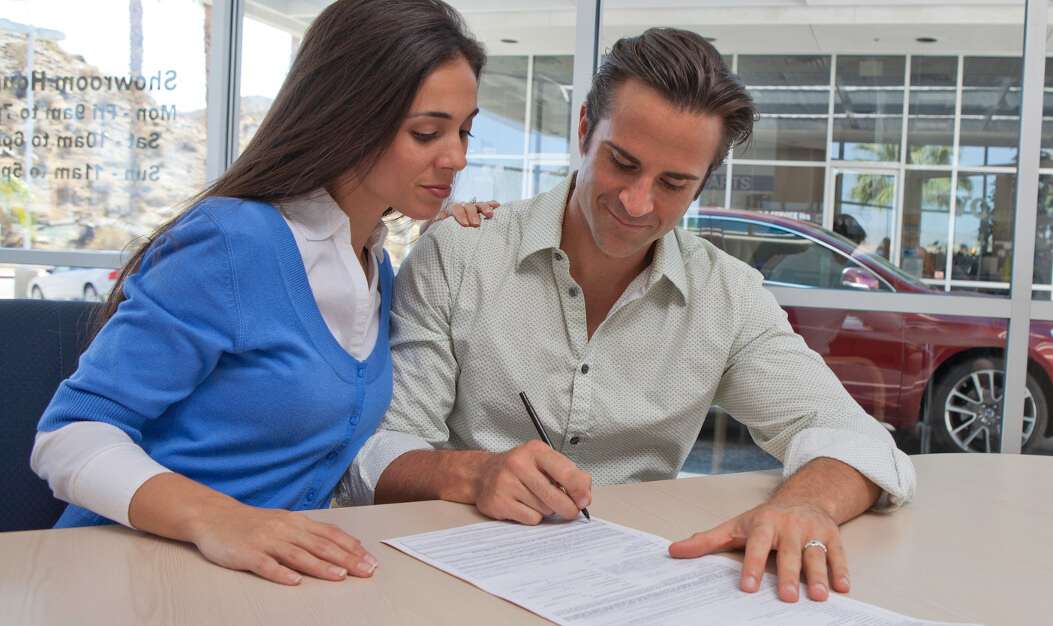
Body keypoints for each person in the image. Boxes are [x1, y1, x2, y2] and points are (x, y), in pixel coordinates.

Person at [340, 27, 916, 604]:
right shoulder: (460, 253)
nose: (637, 203)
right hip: (453, 582)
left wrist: (806, 502)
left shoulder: (726, 296)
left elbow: (857, 437)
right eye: (622, 162)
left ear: (702, 183)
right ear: (587, 128)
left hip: (635, 590)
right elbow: (378, 451)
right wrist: (472, 474)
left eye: (673, 183)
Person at [30, 0, 495, 586]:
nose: (457, 157)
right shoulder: (234, 241)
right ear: (349, 116)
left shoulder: (374, 266)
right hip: (128, 576)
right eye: (427, 132)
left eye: (464, 129)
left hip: (260, 586)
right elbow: (68, 434)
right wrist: (222, 519)